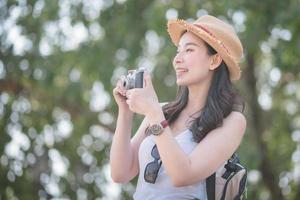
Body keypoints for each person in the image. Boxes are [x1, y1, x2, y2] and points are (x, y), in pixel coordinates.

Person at [110, 15, 246, 200]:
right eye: (178, 51)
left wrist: (153, 112)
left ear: (214, 61)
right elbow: (120, 173)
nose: (177, 60)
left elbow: (183, 175)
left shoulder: (232, 121)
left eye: (189, 50)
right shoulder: (161, 110)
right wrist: (125, 112)